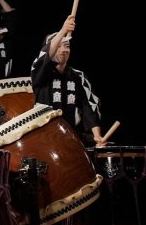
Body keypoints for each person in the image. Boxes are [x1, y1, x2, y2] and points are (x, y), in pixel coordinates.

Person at [30, 15, 105, 147]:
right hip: (44, 138)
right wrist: (63, 31)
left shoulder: (79, 76)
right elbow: (45, 56)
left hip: (72, 138)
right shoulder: (40, 73)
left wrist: (97, 136)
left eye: (66, 46)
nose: (64, 50)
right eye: (58, 46)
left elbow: (90, 107)